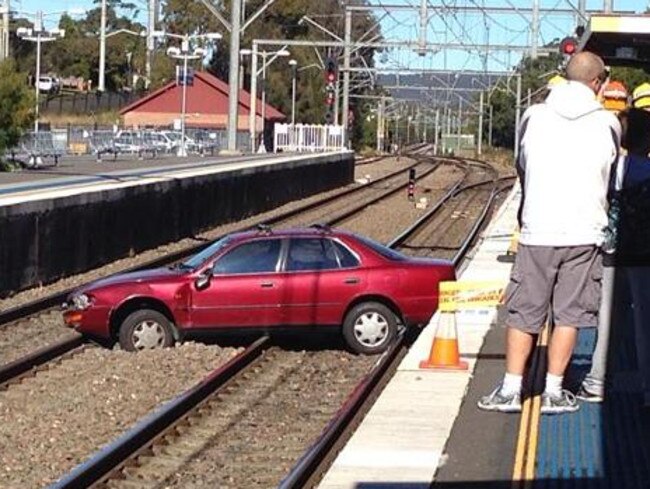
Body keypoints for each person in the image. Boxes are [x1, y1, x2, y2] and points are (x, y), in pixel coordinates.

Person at [478, 52, 621, 415]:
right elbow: (610, 178)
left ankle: (511, 388)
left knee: (524, 312)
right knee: (569, 315)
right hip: (585, 232)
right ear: (597, 83)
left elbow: (522, 167)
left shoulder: (533, 116)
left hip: (538, 230)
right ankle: (554, 391)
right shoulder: (608, 123)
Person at [611, 108, 650, 406]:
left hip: (611, 252)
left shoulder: (613, 168)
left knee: (608, 319)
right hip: (644, 254)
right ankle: (646, 385)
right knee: (644, 321)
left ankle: (599, 380)